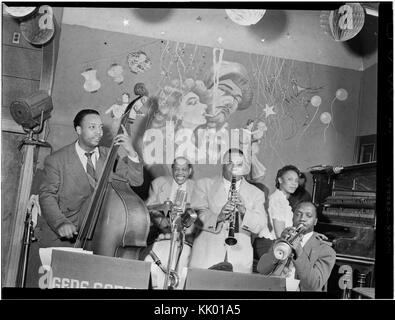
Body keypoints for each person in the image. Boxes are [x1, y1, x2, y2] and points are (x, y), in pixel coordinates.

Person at [38, 109, 143, 247]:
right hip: (68, 235)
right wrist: (60, 223)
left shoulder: (109, 155)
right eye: (92, 127)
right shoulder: (56, 160)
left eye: (100, 127)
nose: (99, 132)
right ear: (79, 130)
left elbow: (136, 180)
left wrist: (131, 151)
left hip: (100, 235)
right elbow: (47, 195)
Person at [189, 148, 272, 273]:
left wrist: (244, 211)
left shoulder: (256, 193)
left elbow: (260, 226)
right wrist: (218, 217)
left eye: (239, 164)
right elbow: (196, 216)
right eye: (230, 163)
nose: (234, 168)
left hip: (240, 257)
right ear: (223, 164)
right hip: (207, 252)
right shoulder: (204, 185)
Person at [144, 156, 197, 289]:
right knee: (152, 271)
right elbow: (149, 209)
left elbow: (198, 216)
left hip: (184, 243)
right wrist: (164, 225)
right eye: (177, 169)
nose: (180, 173)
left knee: (178, 276)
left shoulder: (197, 188)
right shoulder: (158, 183)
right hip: (160, 239)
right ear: (172, 169)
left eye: (184, 169)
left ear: (190, 171)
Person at [257, 202, 336, 291]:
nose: (302, 219)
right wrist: (280, 243)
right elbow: (262, 269)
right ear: (293, 217)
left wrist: (298, 250)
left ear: (315, 221)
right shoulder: (284, 239)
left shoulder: (325, 250)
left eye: (308, 216)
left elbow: (314, 285)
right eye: (298, 214)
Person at [269, 165, 300, 239]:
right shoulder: (278, 200)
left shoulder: (281, 199)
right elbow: (280, 235)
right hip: (272, 246)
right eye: (290, 179)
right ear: (280, 180)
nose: (294, 183)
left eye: (296, 180)